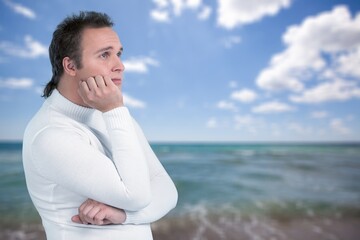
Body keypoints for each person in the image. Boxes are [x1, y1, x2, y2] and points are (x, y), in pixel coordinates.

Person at [22, 11, 178, 240]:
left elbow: (167, 191)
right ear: (71, 65)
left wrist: (123, 215)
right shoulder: (50, 135)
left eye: (119, 54)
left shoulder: (115, 117)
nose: (120, 66)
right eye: (105, 55)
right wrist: (114, 110)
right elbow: (137, 196)